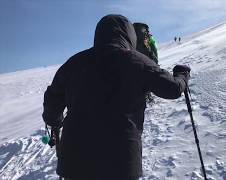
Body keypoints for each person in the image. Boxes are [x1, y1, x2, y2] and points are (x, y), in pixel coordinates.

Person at [42, 14, 190, 180]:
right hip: (121, 163)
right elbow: (173, 89)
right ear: (129, 35)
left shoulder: (74, 63)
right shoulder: (138, 62)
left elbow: (52, 101)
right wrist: (182, 75)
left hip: (74, 163)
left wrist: (56, 121)